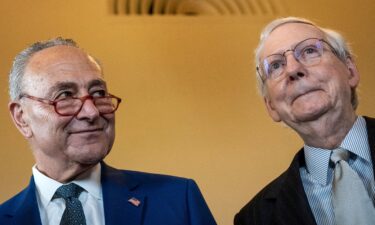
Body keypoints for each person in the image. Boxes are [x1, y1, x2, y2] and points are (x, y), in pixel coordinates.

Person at [0, 37, 217, 225]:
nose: (91, 111)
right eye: (65, 96)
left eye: (98, 93)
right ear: (22, 117)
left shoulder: (178, 200)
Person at [234, 17, 375, 225]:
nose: (292, 70)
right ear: (271, 106)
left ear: (350, 71)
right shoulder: (254, 218)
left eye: (309, 51)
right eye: (276, 66)